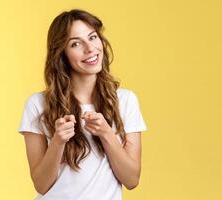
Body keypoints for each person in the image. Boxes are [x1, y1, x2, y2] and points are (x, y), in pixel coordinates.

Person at [18, 9, 147, 200]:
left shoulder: (125, 101)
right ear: (62, 54)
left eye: (93, 37)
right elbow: (41, 184)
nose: (90, 49)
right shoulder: (37, 104)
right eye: (76, 43)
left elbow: (131, 179)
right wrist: (57, 141)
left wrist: (106, 133)